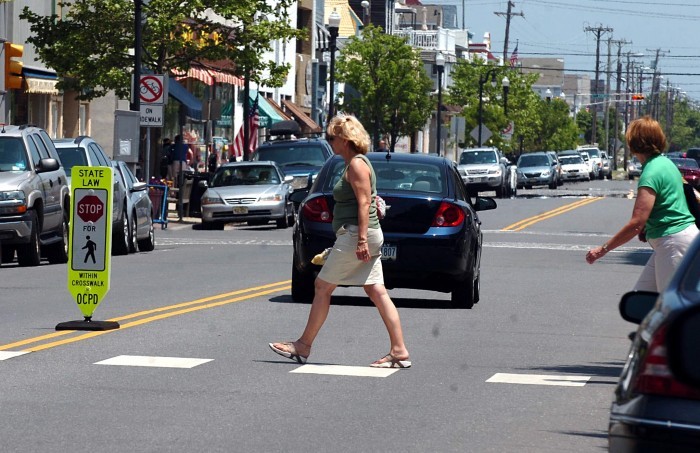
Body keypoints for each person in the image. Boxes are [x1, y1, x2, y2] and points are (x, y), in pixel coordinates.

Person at [269, 114, 411, 368]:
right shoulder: (355, 163)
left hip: (358, 234)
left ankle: (304, 344)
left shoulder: (357, 165)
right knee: (376, 290)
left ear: (345, 140)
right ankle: (399, 350)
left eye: (332, 138)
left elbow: (365, 202)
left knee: (323, 286)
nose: (330, 143)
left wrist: (361, 241)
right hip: (362, 234)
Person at [586, 116, 699, 292]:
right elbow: (669, 203)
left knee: (671, 309)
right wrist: (648, 226)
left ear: (634, 143)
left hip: (673, 243)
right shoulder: (666, 164)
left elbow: (636, 223)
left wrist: (603, 249)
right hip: (676, 241)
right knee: (642, 300)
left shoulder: (651, 173)